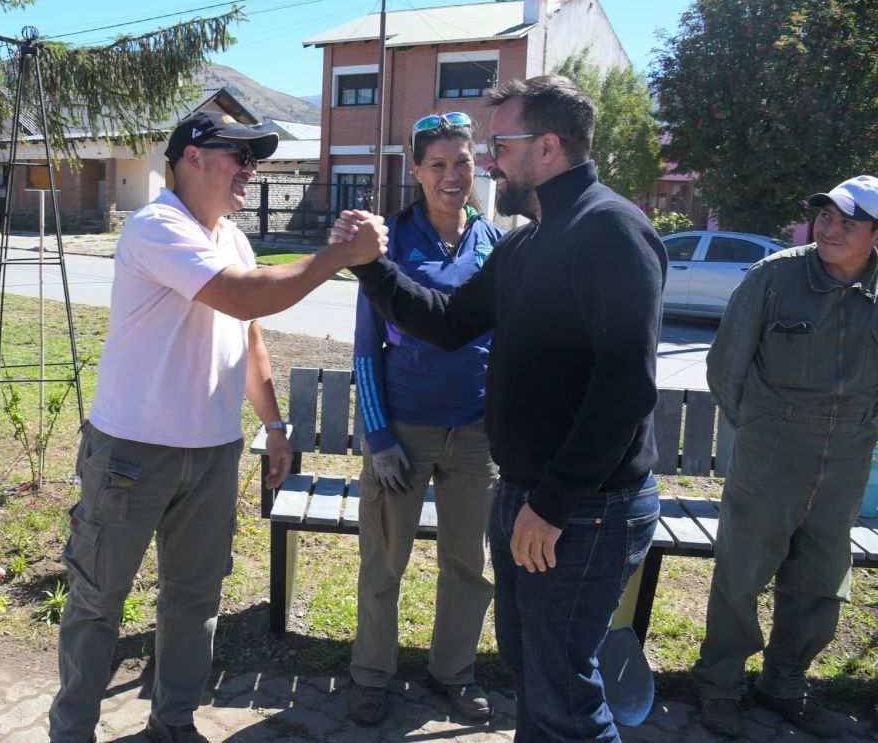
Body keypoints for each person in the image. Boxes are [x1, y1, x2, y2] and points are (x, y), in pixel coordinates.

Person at [332, 75, 666, 742]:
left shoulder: (611, 231)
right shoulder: (528, 242)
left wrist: (553, 500)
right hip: (527, 496)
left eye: (498, 146)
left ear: (547, 148)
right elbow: (450, 321)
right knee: (535, 677)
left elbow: (624, 388)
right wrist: (371, 267)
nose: (485, 163)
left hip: (582, 508)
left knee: (566, 693)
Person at [48, 110, 385, 743]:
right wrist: (337, 255)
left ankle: (172, 725)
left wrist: (275, 425)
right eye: (239, 156)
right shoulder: (156, 225)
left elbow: (248, 334)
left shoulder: (230, 235)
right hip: (131, 452)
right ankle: (71, 732)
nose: (250, 170)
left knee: (195, 599)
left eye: (254, 158)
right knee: (98, 599)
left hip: (210, 452)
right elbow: (243, 296)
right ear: (192, 158)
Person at [691, 175, 878, 740]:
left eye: (848, 222)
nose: (830, 229)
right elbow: (725, 367)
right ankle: (718, 686)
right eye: (825, 216)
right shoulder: (774, 276)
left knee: (821, 580)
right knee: (742, 574)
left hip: (847, 456)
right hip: (772, 449)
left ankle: (784, 684)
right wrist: (760, 429)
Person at [347, 112, 501, 726]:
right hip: (404, 435)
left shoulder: (494, 242)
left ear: (476, 167)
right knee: (385, 561)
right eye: (437, 164)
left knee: (469, 564)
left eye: (461, 163)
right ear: (415, 172)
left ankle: (453, 673)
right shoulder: (389, 244)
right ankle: (370, 675)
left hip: (476, 438)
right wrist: (379, 436)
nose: (451, 175)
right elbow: (365, 350)